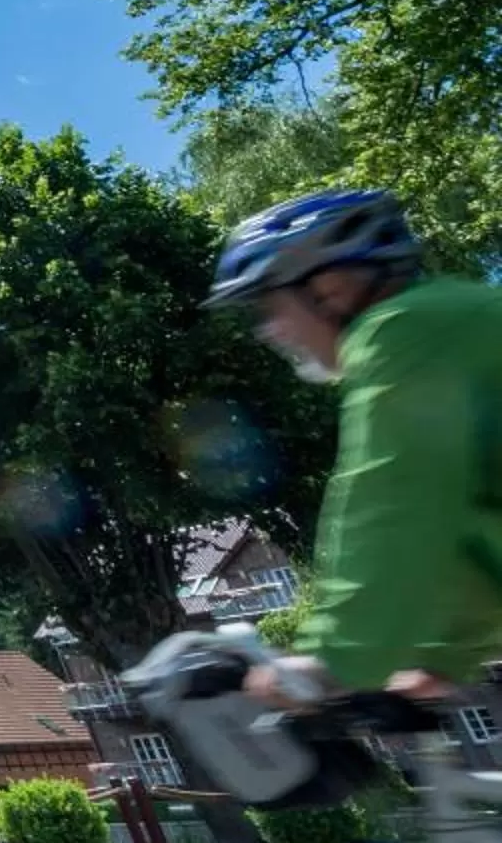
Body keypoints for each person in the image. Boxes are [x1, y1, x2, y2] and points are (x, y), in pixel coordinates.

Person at [204, 189, 502, 709]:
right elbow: (467, 528)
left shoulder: (403, 330)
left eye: (270, 306)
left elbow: (393, 502)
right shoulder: (450, 321)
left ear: (330, 288)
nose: (269, 332)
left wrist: (334, 655)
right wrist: (444, 657)